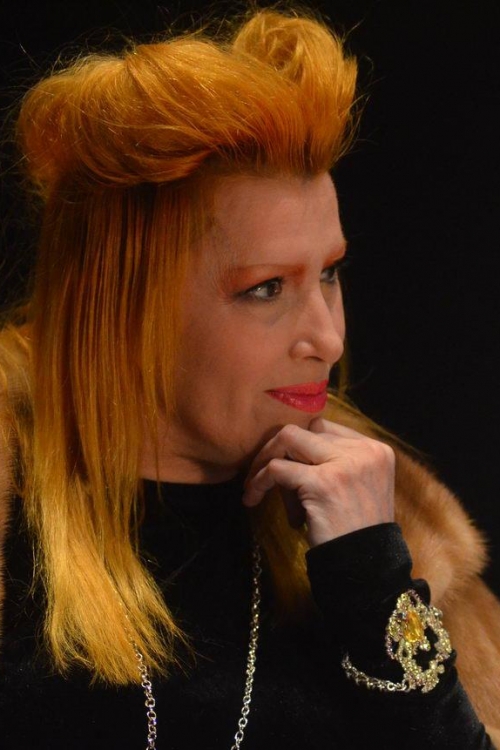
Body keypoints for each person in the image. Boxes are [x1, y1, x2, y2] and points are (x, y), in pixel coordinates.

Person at [0, 8, 499, 748]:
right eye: (267, 288)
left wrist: (374, 584)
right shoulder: (16, 523)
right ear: (122, 307)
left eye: (329, 274)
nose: (328, 339)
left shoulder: (391, 531)